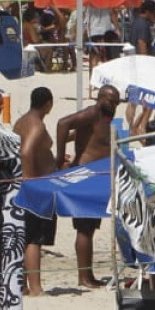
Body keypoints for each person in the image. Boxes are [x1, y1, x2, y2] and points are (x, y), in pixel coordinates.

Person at [56, 85, 119, 289]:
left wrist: (73, 138)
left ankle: (88, 275)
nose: (114, 105)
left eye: (117, 101)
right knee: (84, 228)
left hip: (96, 178)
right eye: (111, 100)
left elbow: (84, 134)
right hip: (86, 178)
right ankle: (84, 277)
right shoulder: (93, 112)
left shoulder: (104, 117)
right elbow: (63, 123)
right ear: (100, 98)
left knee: (90, 228)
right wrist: (59, 157)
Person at [16, 86, 53, 297]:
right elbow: (26, 151)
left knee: (25, 236)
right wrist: (30, 182)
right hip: (35, 186)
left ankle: (22, 283)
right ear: (48, 104)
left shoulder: (22, 121)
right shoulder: (36, 125)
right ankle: (36, 287)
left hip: (30, 183)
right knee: (34, 238)